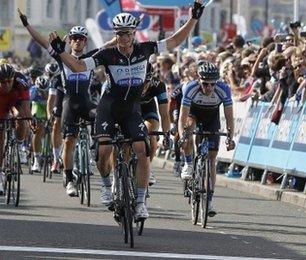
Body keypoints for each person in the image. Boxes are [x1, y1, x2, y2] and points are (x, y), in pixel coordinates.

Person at [48, 0, 206, 219]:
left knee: (142, 150)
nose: (124, 38)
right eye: (120, 34)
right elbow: (79, 66)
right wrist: (61, 53)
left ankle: (140, 202)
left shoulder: (146, 49)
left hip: (131, 109)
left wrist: (194, 18)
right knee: (104, 152)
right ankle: (105, 185)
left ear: (134, 33)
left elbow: (176, 40)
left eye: (128, 33)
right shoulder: (107, 55)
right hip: (109, 107)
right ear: (116, 34)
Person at [18, 8, 116, 197]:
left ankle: (97, 153)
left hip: (87, 103)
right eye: (75, 38)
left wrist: (127, 34)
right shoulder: (61, 55)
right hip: (70, 104)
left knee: (104, 128)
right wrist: (27, 24)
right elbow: (42, 40)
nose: (78, 41)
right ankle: (69, 178)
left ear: (85, 42)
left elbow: (112, 43)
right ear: (70, 41)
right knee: (69, 141)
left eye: (81, 38)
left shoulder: (92, 57)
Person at [178, 62, 236, 216]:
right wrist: (182, 136)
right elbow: (183, 118)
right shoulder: (190, 88)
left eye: (212, 84)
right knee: (188, 129)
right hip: (194, 114)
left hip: (212, 118)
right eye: (205, 84)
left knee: (211, 159)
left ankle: (209, 201)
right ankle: (189, 164)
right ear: (199, 80)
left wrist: (230, 137)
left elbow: (230, 117)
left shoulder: (223, 89)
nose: (208, 88)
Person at [0, 64, 31, 196]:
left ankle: (19, 145)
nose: (6, 85)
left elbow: (26, 107)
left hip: (15, 102)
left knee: (22, 119)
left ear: (13, 79)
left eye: (9, 82)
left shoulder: (21, 81)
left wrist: (28, 120)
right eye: (3, 82)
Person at [140, 67, 171, 186]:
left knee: (151, 134)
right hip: (130, 109)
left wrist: (166, 135)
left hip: (148, 109)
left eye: (146, 82)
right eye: (141, 82)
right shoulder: (129, 82)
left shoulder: (158, 85)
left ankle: (148, 167)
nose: (143, 86)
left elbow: (164, 114)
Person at [44, 62, 64, 174]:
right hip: (61, 101)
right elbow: (51, 99)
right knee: (56, 124)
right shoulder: (57, 79)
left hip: (77, 100)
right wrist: (49, 115)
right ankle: (56, 159)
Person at [30, 76, 49, 172]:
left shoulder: (51, 89)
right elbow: (28, 104)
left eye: (44, 90)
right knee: (38, 129)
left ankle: (55, 154)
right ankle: (36, 159)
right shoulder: (33, 90)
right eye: (40, 90)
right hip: (38, 107)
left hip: (49, 106)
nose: (42, 92)